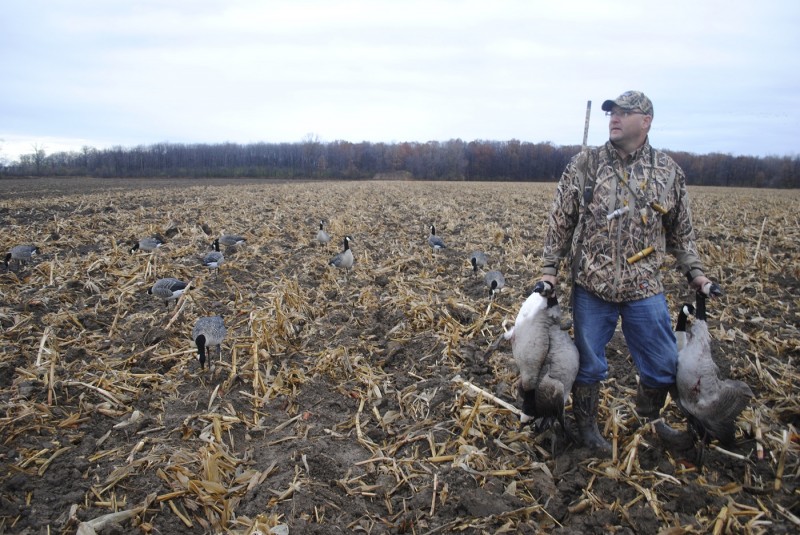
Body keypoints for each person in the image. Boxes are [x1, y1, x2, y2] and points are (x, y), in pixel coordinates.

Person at [536, 90, 716, 452]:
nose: (614, 118)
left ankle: (649, 422)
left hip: (644, 285)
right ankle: (586, 428)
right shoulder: (585, 165)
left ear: (645, 121)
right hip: (592, 284)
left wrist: (695, 272)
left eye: (623, 112)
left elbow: (680, 232)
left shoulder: (667, 172)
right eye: (611, 113)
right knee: (588, 365)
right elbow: (560, 222)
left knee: (664, 363)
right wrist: (549, 270)